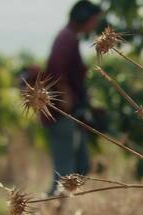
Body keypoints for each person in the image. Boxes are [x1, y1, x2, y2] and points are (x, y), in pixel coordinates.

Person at [43, 1, 103, 196]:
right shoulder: (66, 39)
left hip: (70, 114)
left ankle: (57, 209)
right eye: (94, 21)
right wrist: (67, 100)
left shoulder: (69, 38)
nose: (95, 26)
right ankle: (51, 210)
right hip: (63, 115)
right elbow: (57, 72)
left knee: (80, 166)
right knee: (64, 171)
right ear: (84, 19)